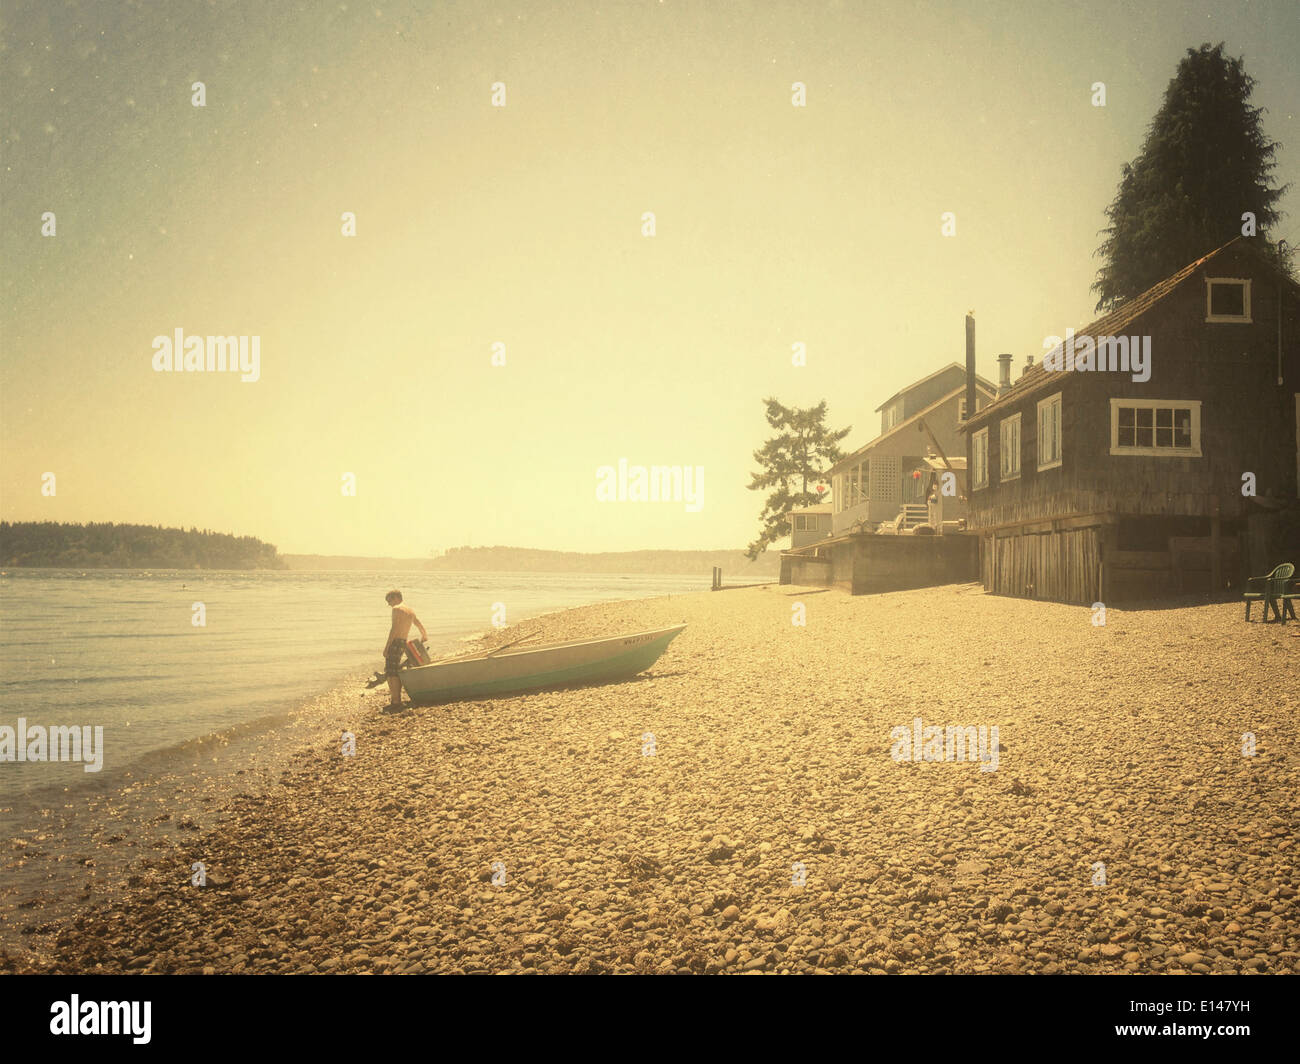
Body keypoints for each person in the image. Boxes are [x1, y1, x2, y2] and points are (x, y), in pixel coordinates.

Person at [381, 590, 427, 710]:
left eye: (389, 601)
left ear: (395, 597)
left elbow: (394, 629)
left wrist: (387, 647)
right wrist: (424, 634)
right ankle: (395, 699)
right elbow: (418, 623)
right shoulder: (410, 610)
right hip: (403, 642)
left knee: (392, 671)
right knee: (393, 669)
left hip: (395, 642)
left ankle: (396, 701)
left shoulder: (397, 609)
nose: (389, 604)